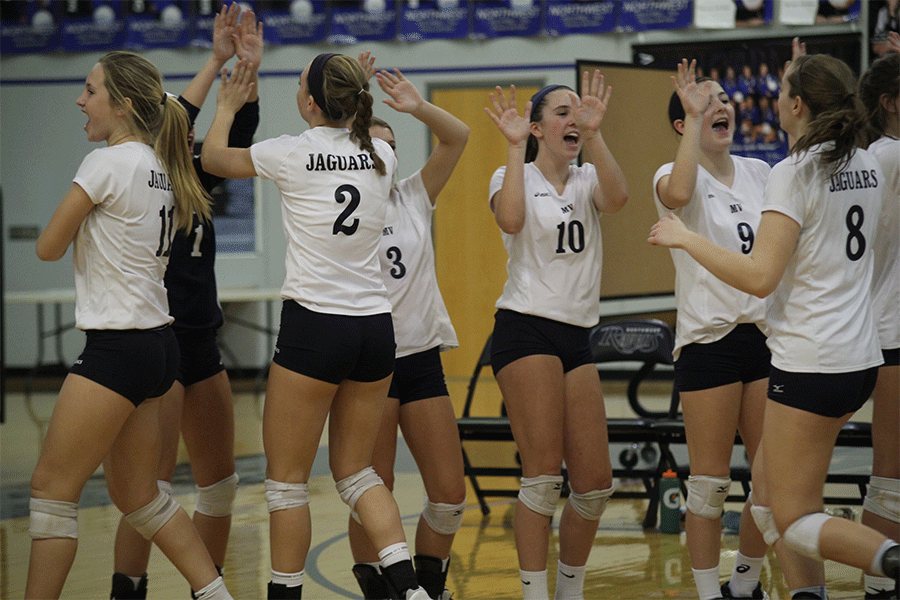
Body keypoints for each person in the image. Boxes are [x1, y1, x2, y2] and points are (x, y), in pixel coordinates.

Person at [648, 52, 899, 594]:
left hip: (809, 359)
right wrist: (810, 77)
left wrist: (686, 238)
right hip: (860, 358)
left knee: (793, 518)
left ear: (797, 105)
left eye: (785, 90)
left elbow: (761, 277)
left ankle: (891, 558)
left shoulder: (786, 172)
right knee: (766, 489)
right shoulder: (869, 163)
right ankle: (778, 591)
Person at [200, 54, 430, 600]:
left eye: (301, 85)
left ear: (309, 102)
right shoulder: (382, 157)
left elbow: (210, 158)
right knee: (357, 474)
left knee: (286, 485)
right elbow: (351, 126)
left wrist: (228, 106)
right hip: (375, 328)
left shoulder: (291, 151)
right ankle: (410, 588)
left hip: (315, 325)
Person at [27, 50, 231, 600]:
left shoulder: (106, 164)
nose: (80, 100)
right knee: (142, 497)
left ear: (123, 105)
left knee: (51, 494)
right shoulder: (166, 168)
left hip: (117, 349)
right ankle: (217, 595)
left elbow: (48, 247)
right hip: (160, 348)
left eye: (90, 91)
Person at [654, 57, 825, 600]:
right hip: (708, 342)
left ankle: (744, 583)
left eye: (724, 99)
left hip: (764, 338)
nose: (721, 105)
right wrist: (690, 115)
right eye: (706, 103)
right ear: (683, 122)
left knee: (770, 483)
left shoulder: (760, 171)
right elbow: (677, 197)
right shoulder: (672, 172)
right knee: (708, 486)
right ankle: (707, 593)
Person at [108, 5, 262, 599]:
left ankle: (211, 588)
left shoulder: (197, 171)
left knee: (220, 485)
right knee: (150, 488)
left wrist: (246, 70)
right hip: (158, 337)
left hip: (202, 338)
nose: (192, 131)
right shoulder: (140, 170)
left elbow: (235, 138)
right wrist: (217, 61)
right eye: (183, 124)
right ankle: (130, 588)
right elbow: (178, 115)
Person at [483, 71, 628, 600]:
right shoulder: (507, 176)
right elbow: (513, 222)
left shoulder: (589, 178)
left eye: (577, 111)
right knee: (543, 478)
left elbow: (619, 199)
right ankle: (534, 593)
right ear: (538, 128)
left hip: (576, 335)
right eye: (561, 113)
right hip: (525, 331)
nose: (573, 118)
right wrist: (515, 149)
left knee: (593, 485)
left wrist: (596, 134)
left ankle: (570, 589)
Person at [344, 58, 469, 600]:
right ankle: (379, 590)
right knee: (376, 487)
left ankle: (429, 585)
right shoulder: (339, 204)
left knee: (448, 492)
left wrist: (416, 107)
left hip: (420, 358)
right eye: (374, 145)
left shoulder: (415, 195)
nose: (385, 154)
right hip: (367, 362)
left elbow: (458, 136)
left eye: (392, 144)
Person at [858, 47, 900, 600]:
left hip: (879, 324)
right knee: (890, 472)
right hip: (888, 330)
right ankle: (877, 583)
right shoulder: (888, 155)